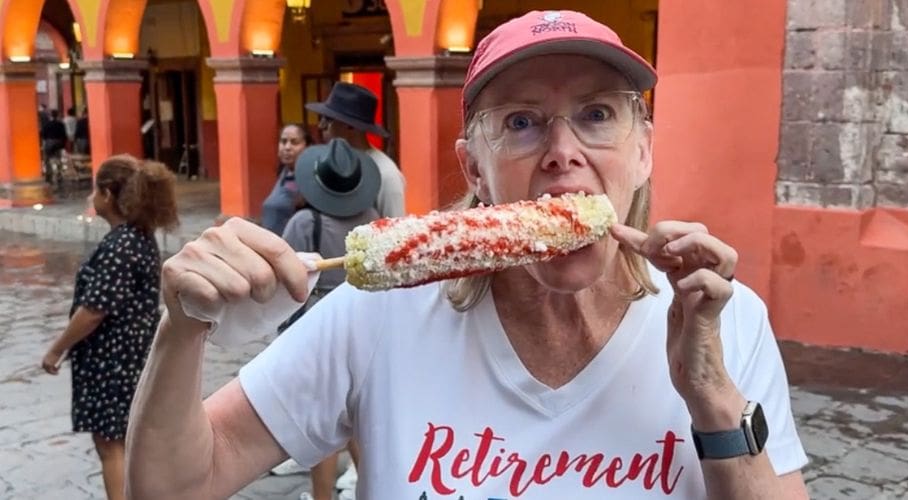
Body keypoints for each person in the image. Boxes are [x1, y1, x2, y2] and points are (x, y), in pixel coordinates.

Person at [125, 10, 810, 499]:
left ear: (645, 149)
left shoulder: (724, 320)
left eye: (598, 114)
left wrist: (714, 402)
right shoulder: (376, 317)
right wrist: (182, 327)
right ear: (473, 168)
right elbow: (171, 485)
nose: (563, 151)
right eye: (521, 123)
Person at [42, 154, 179, 500]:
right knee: (129, 441)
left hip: (113, 361)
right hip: (131, 355)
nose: (92, 198)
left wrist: (58, 347)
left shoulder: (121, 245)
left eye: (94, 191)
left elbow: (94, 310)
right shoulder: (138, 237)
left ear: (106, 193)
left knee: (111, 444)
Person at [303, 81, 406, 493]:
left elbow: (397, 239)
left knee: (364, 388)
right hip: (337, 293)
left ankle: (367, 466)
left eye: (328, 121)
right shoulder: (335, 161)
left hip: (370, 296)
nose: (323, 128)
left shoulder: (385, 174)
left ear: (346, 127)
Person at [279, 139, 382, 500]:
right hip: (366, 319)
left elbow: (287, 277)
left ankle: (322, 497)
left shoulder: (306, 221)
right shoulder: (372, 219)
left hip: (319, 322)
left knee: (324, 417)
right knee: (355, 416)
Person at [306, 82, 406, 218]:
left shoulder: (385, 174)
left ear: (350, 126)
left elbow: (394, 227)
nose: (321, 125)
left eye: (328, 119)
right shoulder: (333, 166)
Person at [260, 124, 314, 235]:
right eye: (283, 142)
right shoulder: (285, 172)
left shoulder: (310, 180)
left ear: (307, 146)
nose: (287, 147)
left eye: (294, 142)